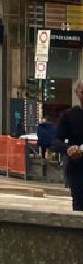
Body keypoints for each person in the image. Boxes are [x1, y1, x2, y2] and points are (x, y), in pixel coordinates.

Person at [52, 81, 83, 211]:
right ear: (77, 93)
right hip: (78, 171)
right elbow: (55, 142)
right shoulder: (68, 116)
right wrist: (68, 149)